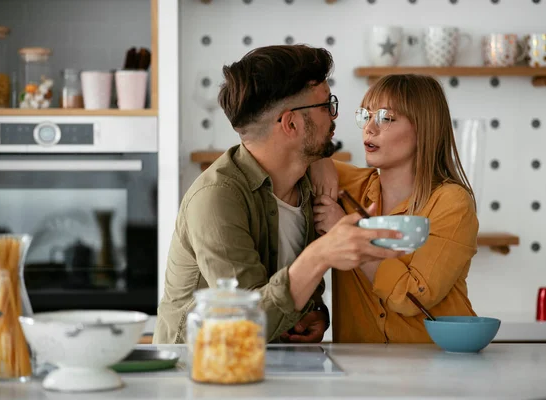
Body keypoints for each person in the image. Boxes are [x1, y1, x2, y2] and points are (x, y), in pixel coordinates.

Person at [153, 45, 405, 344]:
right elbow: (243, 321)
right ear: (291, 123)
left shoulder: (309, 181)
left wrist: (314, 312)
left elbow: (291, 294)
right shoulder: (216, 198)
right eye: (326, 106)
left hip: (270, 365)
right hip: (197, 371)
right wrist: (321, 254)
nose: (334, 116)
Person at [310, 74, 479, 343]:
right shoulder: (349, 185)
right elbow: (297, 153)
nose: (370, 128)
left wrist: (347, 233)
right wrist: (319, 160)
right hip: (359, 371)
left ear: (425, 127)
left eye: (386, 118)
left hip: (438, 367)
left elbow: (412, 295)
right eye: (366, 116)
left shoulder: (452, 203)